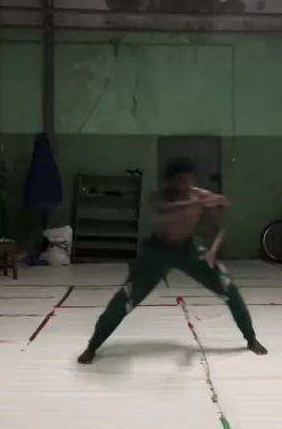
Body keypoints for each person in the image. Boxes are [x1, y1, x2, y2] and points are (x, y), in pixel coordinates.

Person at [77, 156, 267, 364]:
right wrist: (199, 202)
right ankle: (92, 346)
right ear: (170, 180)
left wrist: (213, 250)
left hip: (188, 249)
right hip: (157, 251)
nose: (185, 185)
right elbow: (164, 209)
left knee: (228, 288)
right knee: (125, 299)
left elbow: (221, 227)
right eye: (180, 181)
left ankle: (250, 338)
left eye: (189, 180)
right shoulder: (159, 196)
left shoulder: (200, 196)